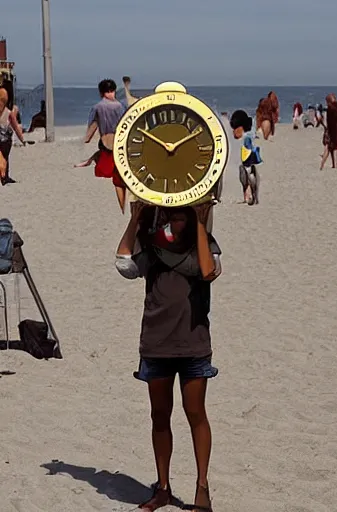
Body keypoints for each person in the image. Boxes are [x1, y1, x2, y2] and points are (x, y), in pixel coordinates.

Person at [115, 201, 222, 512]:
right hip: (156, 342)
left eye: (182, 217)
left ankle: (202, 488)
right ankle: (162, 488)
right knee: (159, 416)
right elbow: (124, 265)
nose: (176, 222)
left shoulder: (206, 245)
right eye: (172, 216)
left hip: (193, 343)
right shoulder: (153, 245)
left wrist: (200, 225)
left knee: (195, 413)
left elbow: (207, 271)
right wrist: (136, 218)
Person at [85, 79, 127, 212]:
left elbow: (91, 128)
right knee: (121, 179)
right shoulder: (120, 106)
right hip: (120, 144)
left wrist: (86, 139)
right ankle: (124, 207)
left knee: (114, 179)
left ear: (100, 92)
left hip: (105, 144)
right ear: (113, 91)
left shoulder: (97, 107)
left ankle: (122, 208)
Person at [230, 109, 262, 205]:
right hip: (249, 157)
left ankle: (249, 196)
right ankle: (251, 196)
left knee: (245, 176)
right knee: (248, 176)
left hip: (246, 158)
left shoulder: (245, 137)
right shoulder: (249, 134)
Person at [0, 87, 25, 186]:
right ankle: (4, 177)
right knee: (4, 158)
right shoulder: (9, 113)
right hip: (5, 139)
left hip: (5, 140)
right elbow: (15, 127)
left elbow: (15, 127)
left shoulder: (8, 113)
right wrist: (22, 139)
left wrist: (22, 139)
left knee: (4, 158)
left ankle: (4, 177)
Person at [320, 94, 337, 170]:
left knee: (329, 148)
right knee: (334, 148)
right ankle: (334, 165)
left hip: (332, 130)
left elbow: (329, 121)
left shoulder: (331, 108)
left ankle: (323, 165)